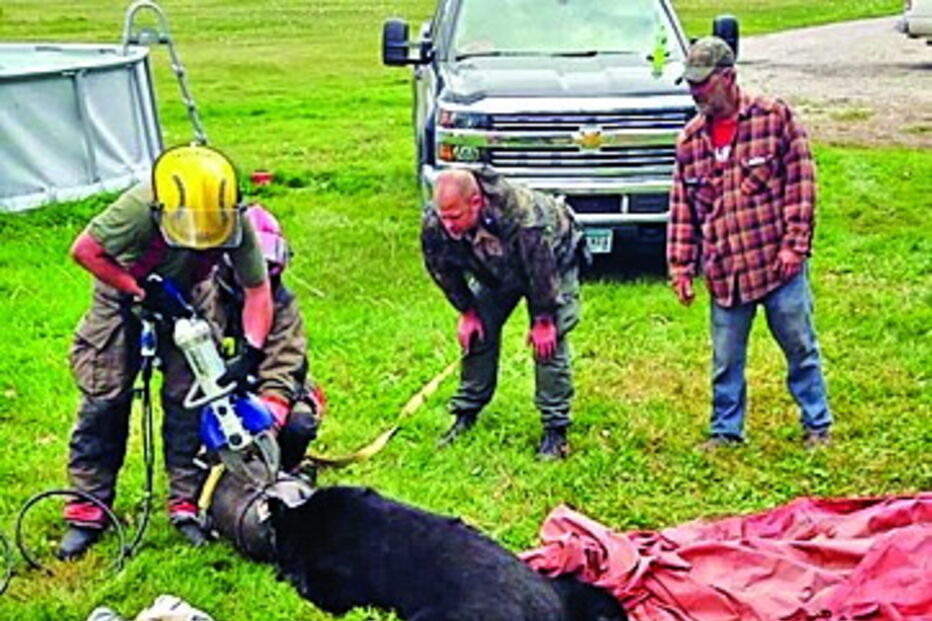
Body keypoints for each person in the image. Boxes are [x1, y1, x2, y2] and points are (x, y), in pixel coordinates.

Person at [58, 144, 273, 559]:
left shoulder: (236, 220)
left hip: (192, 294)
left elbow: (257, 289)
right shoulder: (137, 208)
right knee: (105, 397)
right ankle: (87, 507)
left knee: (192, 398)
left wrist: (250, 351)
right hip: (123, 290)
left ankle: (187, 504)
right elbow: (85, 251)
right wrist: (141, 291)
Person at [667, 37, 833, 450]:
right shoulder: (689, 141)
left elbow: (802, 184)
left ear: (728, 77)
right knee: (725, 360)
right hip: (726, 272)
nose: (695, 92)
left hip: (777, 266)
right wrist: (681, 266)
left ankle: (817, 424)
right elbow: (683, 207)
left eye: (702, 83)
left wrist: (795, 245)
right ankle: (726, 430)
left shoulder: (774, 118)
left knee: (800, 346)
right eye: (690, 83)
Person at [421, 168, 586, 460]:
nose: (448, 225)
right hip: (498, 266)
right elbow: (442, 270)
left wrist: (543, 319)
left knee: (548, 342)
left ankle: (555, 431)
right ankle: (466, 413)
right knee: (478, 332)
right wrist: (468, 311)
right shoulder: (437, 223)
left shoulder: (522, 216)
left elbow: (542, 269)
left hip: (552, 259)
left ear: (476, 202)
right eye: (443, 216)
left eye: (455, 217)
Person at [211, 204, 325, 473]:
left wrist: (267, 419)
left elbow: (284, 363)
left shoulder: (283, 304)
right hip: (217, 394)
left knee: (299, 425)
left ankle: (287, 468)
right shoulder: (209, 294)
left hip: (269, 390)